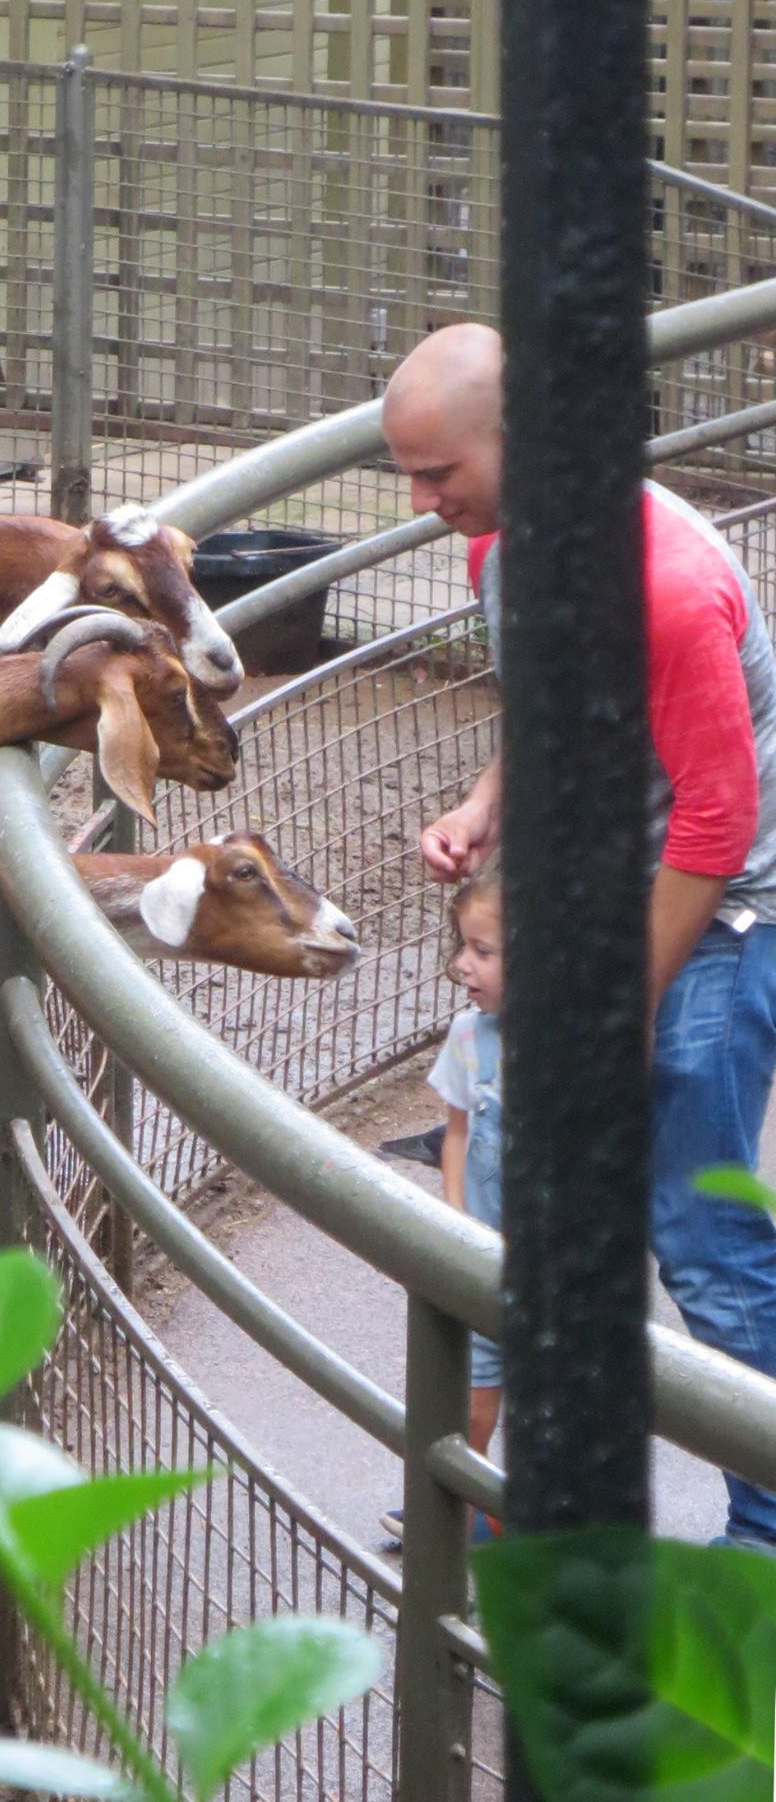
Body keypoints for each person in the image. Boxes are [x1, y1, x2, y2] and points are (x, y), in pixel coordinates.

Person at [380, 320, 776, 1551]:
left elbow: (719, 821)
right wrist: (486, 803)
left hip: (724, 910)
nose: (421, 498)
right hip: (609, 892)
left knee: (699, 1235)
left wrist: (616, 1011)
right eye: (410, 472)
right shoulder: (501, 546)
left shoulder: (659, 586)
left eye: (439, 472)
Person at [383, 861, 506, 1551]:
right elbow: (455, 1132)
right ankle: (460, 1507)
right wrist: (457, 1213)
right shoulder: (467, 1037)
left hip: (555, 1260)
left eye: (483, 952)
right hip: (486, 1250)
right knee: (475, 1399)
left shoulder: (575, 1044)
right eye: (462, 946)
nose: (464, 964)